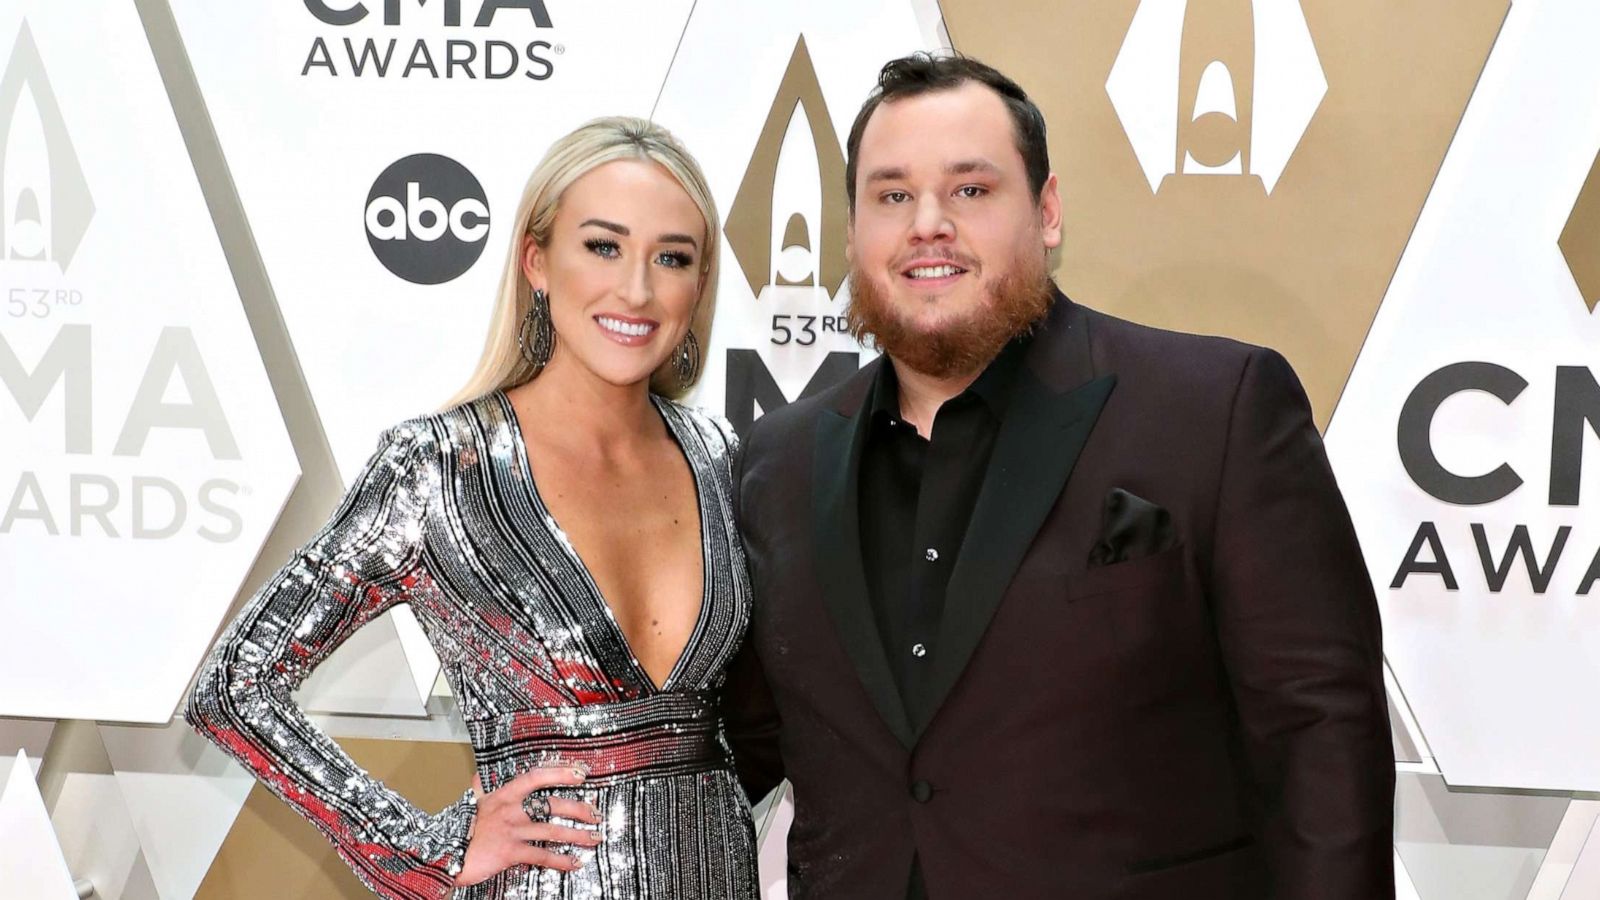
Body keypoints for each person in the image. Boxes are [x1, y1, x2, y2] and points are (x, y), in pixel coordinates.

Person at [724, 54, 1394, 899]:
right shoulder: (775, 464)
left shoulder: (1213, 411)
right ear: (854, 232)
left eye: (971, 190)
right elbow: (733, 745)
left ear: (1046, 212)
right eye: (892, 196)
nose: (928, 223)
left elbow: (1320, 737)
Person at [187, 117, 757, 899]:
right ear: (537, 261)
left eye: (672, 257)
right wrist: (419, 848)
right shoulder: (437, 467)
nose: (637, 288)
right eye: (603, 246)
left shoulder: (725, 457)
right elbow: (235, 686)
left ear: (699, 286)